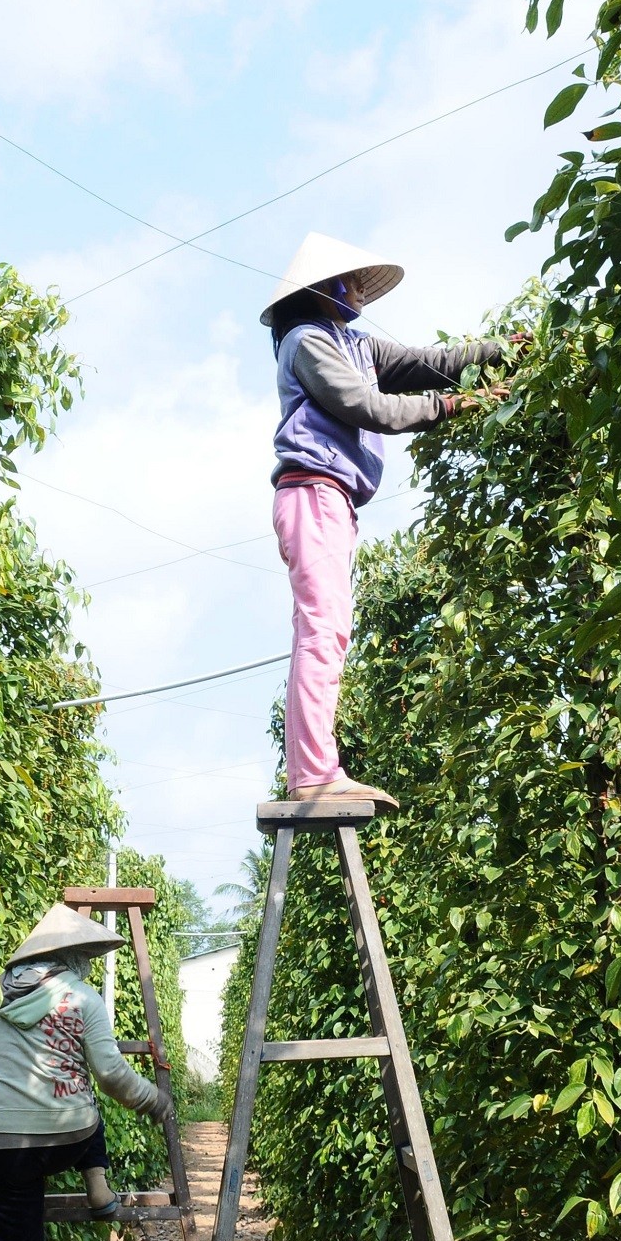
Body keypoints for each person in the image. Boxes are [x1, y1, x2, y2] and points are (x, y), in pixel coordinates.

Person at [262, 232, 513, 811]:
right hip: (313, 491)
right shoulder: (306, 342)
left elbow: (431, 364)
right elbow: (368, 407)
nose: (355, 292)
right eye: (346, 283)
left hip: (335, 499)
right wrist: (450, 407)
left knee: (329, 630)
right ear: (321, 289)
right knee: (322, 630)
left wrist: (503, 349)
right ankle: (314, 772)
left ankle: (315, 767)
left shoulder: (355, 344)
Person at [0, 904, 175, 1241]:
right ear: (69, 958)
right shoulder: (84, 998)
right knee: (85, 1094)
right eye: (83, 957)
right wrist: (154, 1100)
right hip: (70, 1139)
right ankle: (97, 1186)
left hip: (4, 1145)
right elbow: (111, 1074)